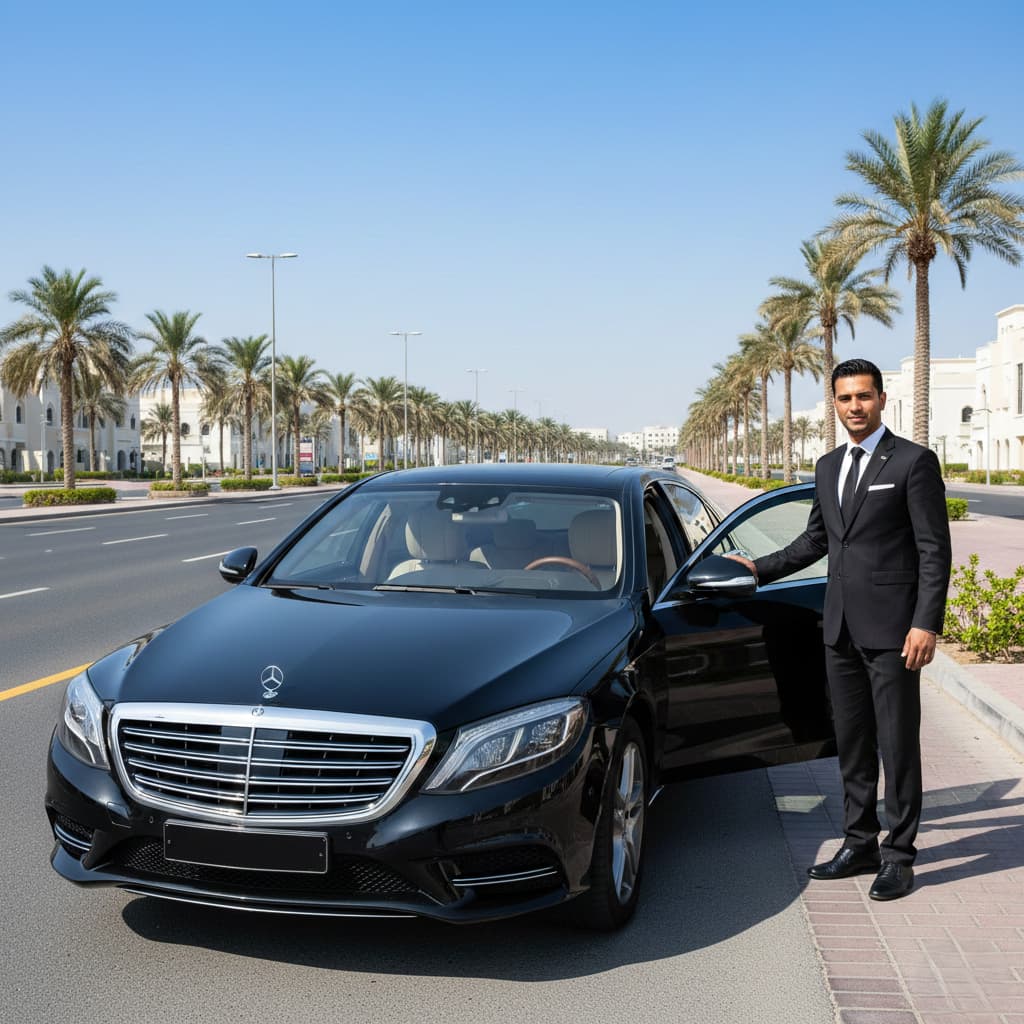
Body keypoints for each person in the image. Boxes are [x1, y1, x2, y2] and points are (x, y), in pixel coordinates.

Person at [729, 358, 951, 901]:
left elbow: (933, 549)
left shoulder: (914, 462)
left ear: (881, 399)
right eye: (845, 398)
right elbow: (815, 541)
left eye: (864, 397)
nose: (855, 407)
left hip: (896, 631)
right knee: (852, 743)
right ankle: (860, 842)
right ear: (834, 403)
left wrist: (926, 623)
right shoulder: (827, 466)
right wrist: (759, 568)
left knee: (897, 747)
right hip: (840, 631)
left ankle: (900, 856)